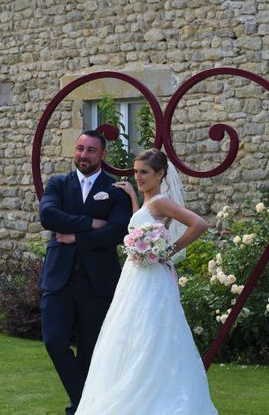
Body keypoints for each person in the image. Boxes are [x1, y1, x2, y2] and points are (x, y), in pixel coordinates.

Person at [76, 148, 218, 414]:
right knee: (131, 332)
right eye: (136, 171)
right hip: (135, 276)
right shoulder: (149, 201)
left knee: (151, 332)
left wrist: (168, 251)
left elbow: (198, 223)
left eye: (144, 172)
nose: (138, 176)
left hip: (151, 278)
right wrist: (133, 195)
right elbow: (141, 224)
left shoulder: (161, 201)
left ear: (160, 174)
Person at [38, 130, 134, 415]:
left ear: (102, 155)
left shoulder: (115, 189)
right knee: (54, 341)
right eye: (80, 148)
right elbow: (48, 217)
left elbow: (117, 231)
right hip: (59, 278)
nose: (84, 155)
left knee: (91, 352)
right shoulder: (58, 183)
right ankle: (86, 405)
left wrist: (75, 236)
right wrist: (92, 223)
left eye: (91, 150)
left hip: (98, 282)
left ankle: (79, 410)